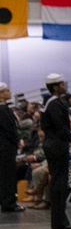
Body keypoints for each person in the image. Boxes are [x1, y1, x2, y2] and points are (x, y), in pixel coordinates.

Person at [39, 74, 71, 229]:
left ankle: (59, 219)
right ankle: (59, 220)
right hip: (57, 144)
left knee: (57, 181)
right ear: (55, 87)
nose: (64, 86)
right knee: (59, 182)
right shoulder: (54, 104)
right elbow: (60, 126)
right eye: (61, 84)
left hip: (52, 143)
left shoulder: (50, 102)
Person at [0, 81, 24, 212]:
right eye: (7, 91)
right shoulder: (3, 110)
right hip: (6, 147)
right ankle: (9, 202)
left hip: (4, 146)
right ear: (1, 94)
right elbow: (9, 129)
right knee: (8, 175)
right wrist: (17, 141)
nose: (9, 93)